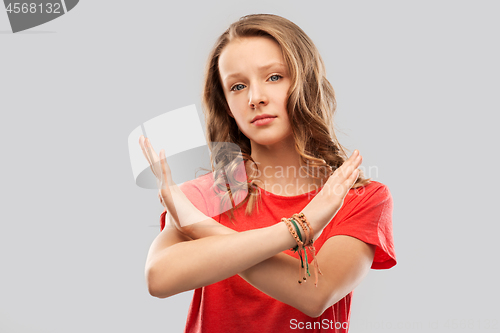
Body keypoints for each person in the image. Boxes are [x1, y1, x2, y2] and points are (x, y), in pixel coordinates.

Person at [139, 14, 396, 333]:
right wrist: (297, 229)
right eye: (237, 86)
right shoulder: (206, 194)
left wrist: (199, 226)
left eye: (274, 77)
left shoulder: (359, 197)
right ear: (227, 105)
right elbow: (159, 279)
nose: (255, 98)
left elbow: (316, 295)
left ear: (305, 83)